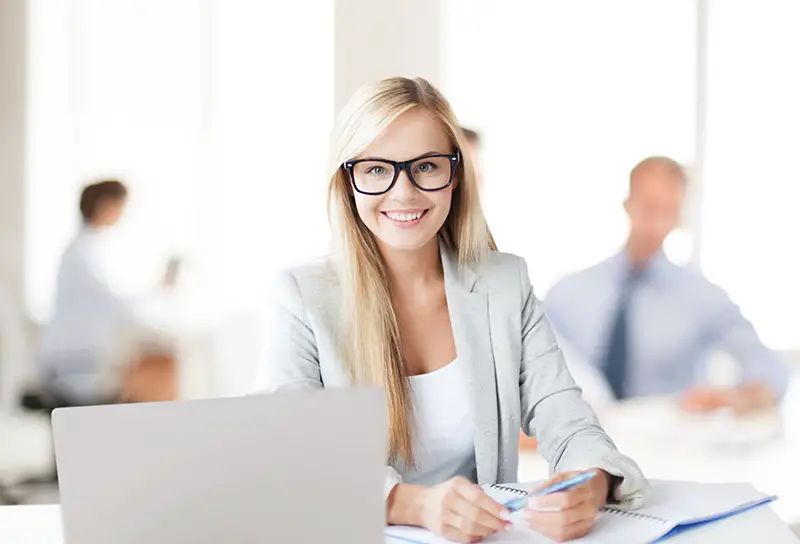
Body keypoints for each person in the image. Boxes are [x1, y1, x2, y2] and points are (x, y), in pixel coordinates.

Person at [257, 77, 648, 543]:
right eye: (377, 170)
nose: (404, 193)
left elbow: (566, 418)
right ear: (347, 180)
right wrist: (417, 505)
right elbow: (291, 452)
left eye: (425, 166)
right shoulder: (302, 296)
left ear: (455, 174)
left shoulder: (505, 284)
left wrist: (590, 481)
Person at [545, 156, 788, 414]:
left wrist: (736, 398)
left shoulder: (703, 297)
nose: (657, 224)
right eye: (649, 207)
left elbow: (770, 369)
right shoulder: (567, 294)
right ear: (628, 204)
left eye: (669, 212)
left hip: (668, 446)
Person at [36, 180, 177, 408]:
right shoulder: (82, 254)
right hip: (76, 366)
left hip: (83, 360)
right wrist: (159, 295)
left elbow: (115, 302)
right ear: (105, 206)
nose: (121, 215)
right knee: (153, 377)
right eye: (120, 207)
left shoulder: (91, 249)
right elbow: (116, 305)